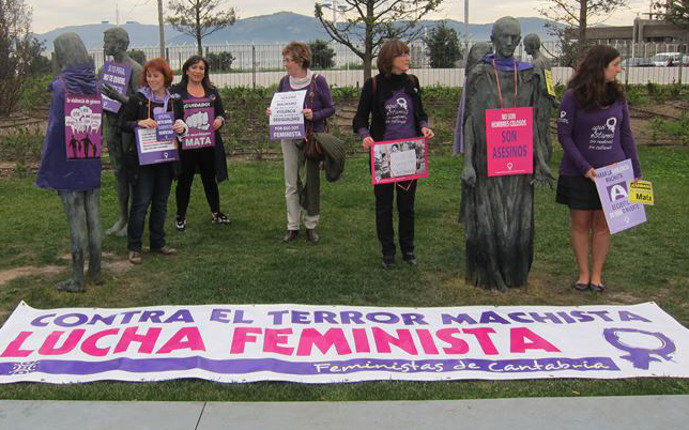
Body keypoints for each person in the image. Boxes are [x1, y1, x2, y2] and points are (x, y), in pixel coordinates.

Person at [461, 17, 552, 290]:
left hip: (519, 160)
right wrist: (468, 162)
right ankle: (489, 271)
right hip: (487, 162)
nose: (510, 43)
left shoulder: (528, 75)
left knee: (517, 217)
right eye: (504, 37)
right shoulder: (480, 74)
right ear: (493, 37)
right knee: (489, 217)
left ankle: (515, 272)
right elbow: (469, 121)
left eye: (515, 37)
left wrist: (542, 160)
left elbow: (539, 120)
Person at [556, 45, 642, 293]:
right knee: (581, 223)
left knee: (603, 225)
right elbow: (564, 135)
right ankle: (583, 274)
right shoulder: (573, 96)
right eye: (615, 64)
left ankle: (597, 275)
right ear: (600, 67)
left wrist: (635, 170)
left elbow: (626, 135)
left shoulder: (618, 97)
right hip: (579, 173)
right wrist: (585, 167)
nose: (619, 69)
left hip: (613, 174)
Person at [353, 39, 435, 268]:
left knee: (407, 206)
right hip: (383, 155)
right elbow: (360, 118)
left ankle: (408, 250)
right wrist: (365, 135)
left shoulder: (412, 82)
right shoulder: (374, 85)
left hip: (409, 154)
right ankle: (387, 252)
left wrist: (424, 126)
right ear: (390, 59)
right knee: (384, 205)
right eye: (403, 54)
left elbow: (420, 113)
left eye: (408, 53)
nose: (408, 58)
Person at [35, 32, 103, 293]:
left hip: (67, 161)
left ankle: (77, 278)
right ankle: (96, 271)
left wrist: (47, 164)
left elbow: (54, 128)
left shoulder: (62, 87)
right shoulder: (94, 85)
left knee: (75, 217)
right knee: (93, 215)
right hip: (90, 154)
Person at [267, 41, 335, 244]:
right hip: (288, 137)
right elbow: (278, 103)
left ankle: (311, 225)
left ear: (300, 60)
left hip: (311, 139)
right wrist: (273, 112)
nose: (285, 63)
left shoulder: (318, 81)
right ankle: (292, 225)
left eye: (288, 60)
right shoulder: (284, 82)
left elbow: (330, 108)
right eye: (285, 60)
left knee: (311, 181)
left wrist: (313, 114)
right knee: (291, 182)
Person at [120, 58, 187, 264]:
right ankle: (134, 247)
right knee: (140, 203)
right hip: (144, 160)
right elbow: (123, 124)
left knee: (161, 202)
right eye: (148, 75)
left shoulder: (175, 100)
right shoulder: (138, 99)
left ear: (165, 77)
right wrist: (139, 122)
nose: (151, 79)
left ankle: (158, 243)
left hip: (166, 159)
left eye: (156, 76)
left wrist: (181, 128)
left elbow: (183, 125)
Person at [171, 55, 229, 231]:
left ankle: (216, 213)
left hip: (207, 144)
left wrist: (220, 120)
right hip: (186, 145)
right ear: (186, 70)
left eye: (201, 68)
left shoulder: (211, 91)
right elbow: (171, 116)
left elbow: (221, 113)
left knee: (209, 179)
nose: (197, 71)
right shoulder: (176, 91)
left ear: (205, 72)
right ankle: (180, 217)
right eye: (194, 67)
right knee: (184, 180)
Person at [100, 27, 143, 237]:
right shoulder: (105, 69)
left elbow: (141, 103)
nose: (104, 45)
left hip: (128, 127)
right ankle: (122, 217)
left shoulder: (135, 69)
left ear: (119, 43)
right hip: (111, 124)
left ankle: (132, 220)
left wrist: (121, 98)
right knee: (118, 173)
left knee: (131, 174)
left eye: (107, 41)